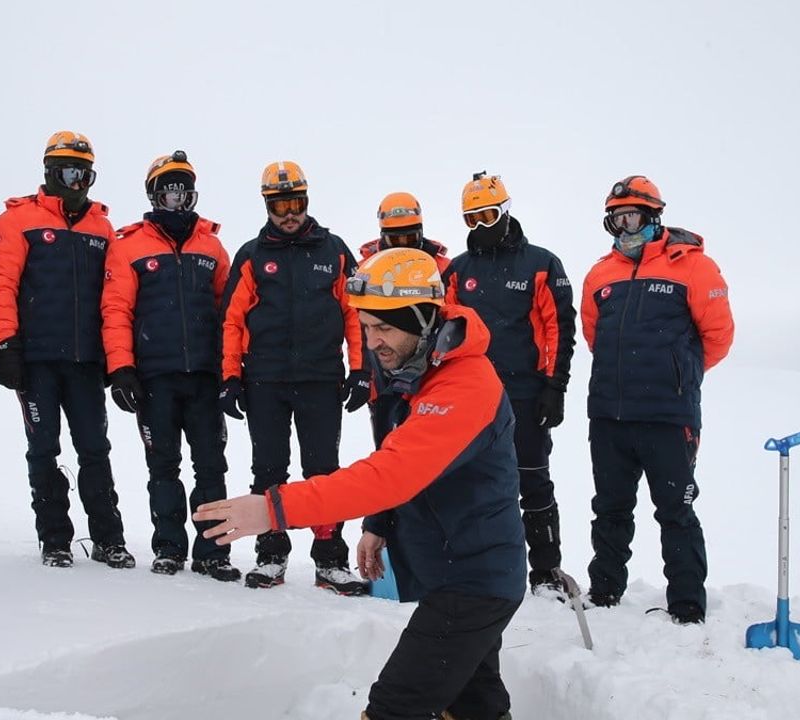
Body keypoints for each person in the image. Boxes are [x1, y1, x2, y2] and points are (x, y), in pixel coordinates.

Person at [195, 247, 524, 720]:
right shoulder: (414, 370)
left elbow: (391, 474)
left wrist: (273, 509)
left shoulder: (465, 385)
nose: (373, 343)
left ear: (424, 317)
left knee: (394, 708)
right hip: (458, 571)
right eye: (367, 327)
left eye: (385, 327)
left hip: (473, 581)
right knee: (473, 703)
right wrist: (379, 524)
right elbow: (400, 459)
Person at [579, 175, 733, 624]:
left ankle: (686, 605)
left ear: (653, 215)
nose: (624, 227)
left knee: (676, 511)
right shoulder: (600, 273)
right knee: (609, 508)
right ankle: (605, 590)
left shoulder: (693, 266)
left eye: (631, 216)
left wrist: (678, 375)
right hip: (609, 414)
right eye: (615, 219)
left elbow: (718, 337)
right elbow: (593, 335)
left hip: (669, 415)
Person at [219, 160, 370, 594]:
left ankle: (329, 560)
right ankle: (271, 554)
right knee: (269, 469)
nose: (290, 213)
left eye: (296, 202)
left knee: (323, 471)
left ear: (307, 201)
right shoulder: (252, 254)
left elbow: (355, 314)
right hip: (264, 381)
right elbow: (232, 321)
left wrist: (360, 371)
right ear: (267, 205)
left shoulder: (334, 250)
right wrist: (230, 377)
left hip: (322, 379)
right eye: (280, 204)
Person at [0, 131, 133, 570]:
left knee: (94, 448)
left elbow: (114, 298)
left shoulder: (102, 228)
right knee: (43, 448)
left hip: (86, 361)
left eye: (85, 173)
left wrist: (116, 358)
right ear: (49, 173)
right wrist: (4, 344)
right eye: (69, 171)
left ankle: (109, 538)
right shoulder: (16, 221)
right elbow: (0, 284)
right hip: (36, 361)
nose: (78, 181)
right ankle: (55, 539)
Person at [101, 150, 239, 581]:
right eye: (169, 191)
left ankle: (213, 550)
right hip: (154, 379)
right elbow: (116, 310)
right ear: (154, 194)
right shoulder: (128, 246)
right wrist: (121, 368)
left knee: (212, 466)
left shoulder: (212, 246)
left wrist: (232, 370)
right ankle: (169, 548)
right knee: (163, 466)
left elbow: (230, 314)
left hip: (204, 376)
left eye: (184, 192)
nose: (177, 199)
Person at [443, 172, 576, 599]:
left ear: (505, 211)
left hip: (524, 393)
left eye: (487, 216)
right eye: (471, 219)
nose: (481, 227)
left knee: (532, 479)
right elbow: (445, 331)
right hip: (471, 394)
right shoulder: (459, 272)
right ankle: (478, 567)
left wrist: (555, 386)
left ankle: (546, 571)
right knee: (470, 481)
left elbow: (560, 328)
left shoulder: (541, 263)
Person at [359, 191, 450, 272]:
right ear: (384, 238)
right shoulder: (363, 270)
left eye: (410, 238)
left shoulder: (445, 268)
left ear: (420, 234)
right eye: (395, 240)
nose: (403, 245)